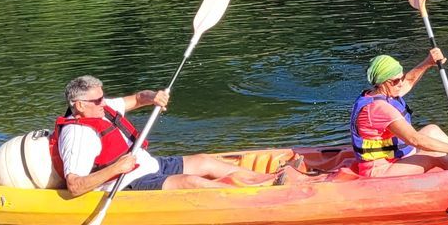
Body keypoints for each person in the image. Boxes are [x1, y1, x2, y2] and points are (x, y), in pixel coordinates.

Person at [50, 75, 279, 197]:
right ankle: (255, 198)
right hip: (126, 182)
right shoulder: (78, 136)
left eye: (103, 96)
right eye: (98, 100)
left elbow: (139, 98)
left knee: (204, 161)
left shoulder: (100, 107)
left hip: (145, 165)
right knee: (191, 182)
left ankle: (270, 181)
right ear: (79, 105)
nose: (104, 102)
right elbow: (76, 186)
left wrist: (154, 97)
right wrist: (117, 168)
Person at [343, 50, 448, 177]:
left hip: (396, 158)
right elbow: (414, 139)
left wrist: (428, 62)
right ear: (383, 82)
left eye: (401, 78)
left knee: (432, 130)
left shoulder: (385, 92)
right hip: (380, 170)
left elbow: (409, 80)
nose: (400, 83)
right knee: (434, 154)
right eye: (396, 81)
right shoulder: (379, 108)